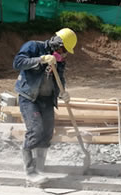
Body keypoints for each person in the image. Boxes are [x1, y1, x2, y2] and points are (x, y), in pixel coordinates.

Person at [13, 28, 77, 184]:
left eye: (66, 52)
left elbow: (59, 79)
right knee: (36, 129)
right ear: (57, 43)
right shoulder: (34, 46)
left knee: (47, 132)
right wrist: (40, 59)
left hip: (47, 99)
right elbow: (18, 63)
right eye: (63, 50)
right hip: (30, 98)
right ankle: (30, 171)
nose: (63, 54)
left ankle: (40, 167)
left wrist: (63, 92)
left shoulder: (59, 60)